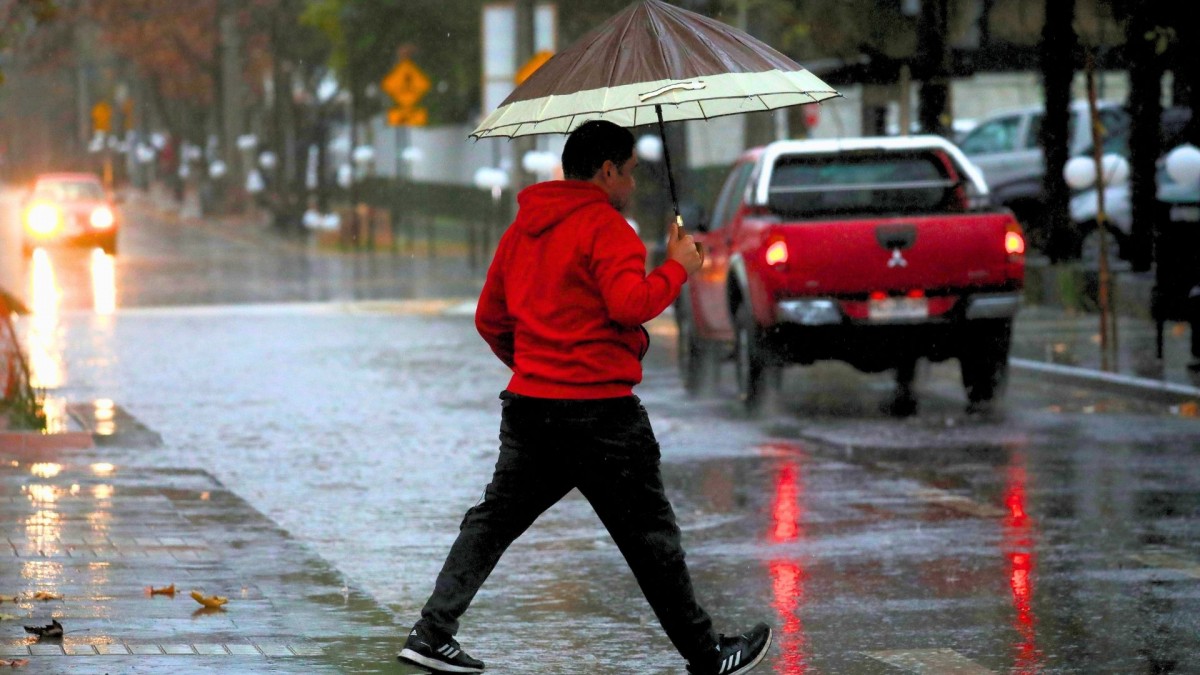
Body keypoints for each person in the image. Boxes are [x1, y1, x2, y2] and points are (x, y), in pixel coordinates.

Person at [397, 119, 772, 675]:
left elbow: (489, 318)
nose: (635, 184)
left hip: (531, 412)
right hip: (603, 419)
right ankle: (708, 655)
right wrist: (678, 267)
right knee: (650, 540)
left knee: (491, 523)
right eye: (630, 172)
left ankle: (431, 632)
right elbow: (628, 304)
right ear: (606, 171)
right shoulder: (608, 228)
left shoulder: (523, 228)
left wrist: (536, 367)